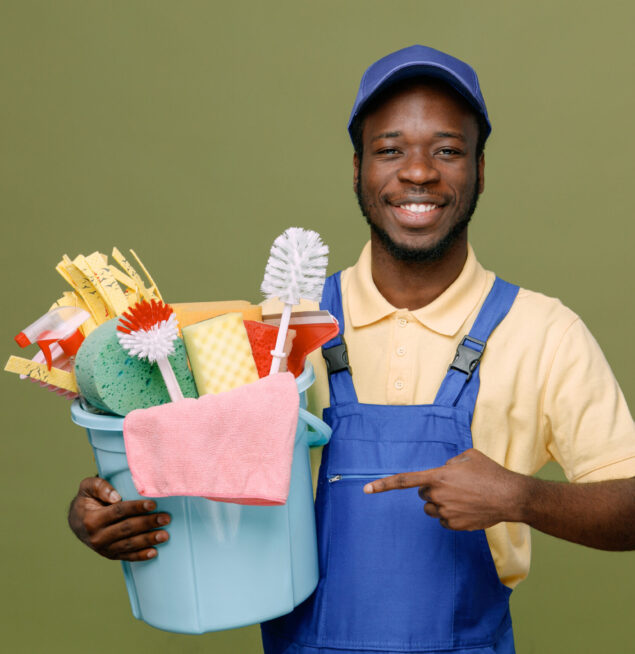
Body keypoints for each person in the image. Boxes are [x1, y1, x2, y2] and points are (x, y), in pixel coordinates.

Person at [68, 45, 635, 653]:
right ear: (358, 167)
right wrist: (106, 512)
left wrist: (521, 497)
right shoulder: (279, 335)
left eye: (447, 150)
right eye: (390, 150)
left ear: (480, 167)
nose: (418, 172)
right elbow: (198, 481)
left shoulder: (545, 333)